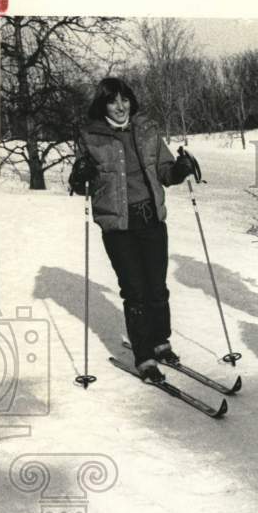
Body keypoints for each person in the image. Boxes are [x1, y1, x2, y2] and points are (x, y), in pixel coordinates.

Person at [68, 77, 200, 384]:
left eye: (124, 99)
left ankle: (160, 342)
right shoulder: (91, 136)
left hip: (150, 218)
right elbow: (82, 184)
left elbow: (165, 171)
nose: (120, 106)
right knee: (135, 291)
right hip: (118, 226)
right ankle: (144, 357)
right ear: (102, 105)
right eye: (112, 101)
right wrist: (81, 175)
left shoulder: (147, 129)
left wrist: (180, 169)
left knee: (157, 287)